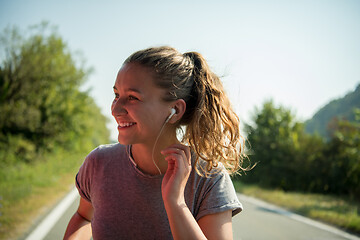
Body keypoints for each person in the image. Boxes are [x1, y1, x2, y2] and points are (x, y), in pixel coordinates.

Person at [64, 46, 247, 240]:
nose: (115, 109)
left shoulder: (209, 177)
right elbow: (84, 217)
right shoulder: (98, 163)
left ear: (175, 110)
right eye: (116, 95)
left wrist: (176, 202)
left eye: (133, 98)